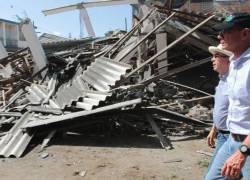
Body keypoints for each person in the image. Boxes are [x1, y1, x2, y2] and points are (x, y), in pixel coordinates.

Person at [205, 12, 250, 180]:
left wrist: (242, 152)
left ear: (245, 33)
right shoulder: (236, 65)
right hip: (231, 139)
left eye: (226, 32)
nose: (220, 36)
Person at [205, 44, 232, 174]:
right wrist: (214, 129)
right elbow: (222, 108)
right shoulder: (222, 80)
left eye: (216, 56)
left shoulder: (235, 81)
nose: (212, 59)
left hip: (235, 137)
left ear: (228, 59)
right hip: (223, 135)